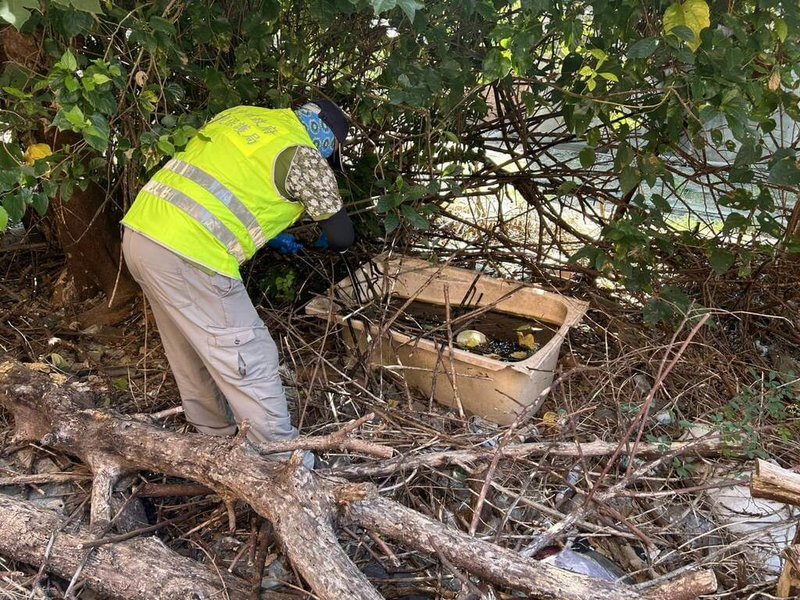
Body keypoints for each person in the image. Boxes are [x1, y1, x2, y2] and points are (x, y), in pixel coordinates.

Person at [120, 101, 354, 468]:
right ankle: (282, 461)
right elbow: (342, 236)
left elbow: (225, 184)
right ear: (328, 138)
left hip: (142, 232)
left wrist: (273, 235)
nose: (327, 158)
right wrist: (324, 239)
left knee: (189, 346)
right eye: (331, 152)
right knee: (247, 351)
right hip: (190, 252)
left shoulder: (243, 116)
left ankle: (214, 441)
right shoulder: (305, 158)